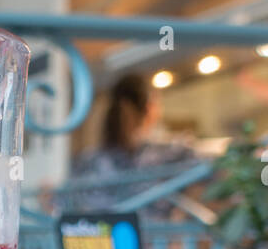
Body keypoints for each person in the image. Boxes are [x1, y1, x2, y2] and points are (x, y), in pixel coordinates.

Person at [64, 73, 196, 213]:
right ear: (150, 108)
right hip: (150, 233)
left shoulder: (89, 160)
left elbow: (70, 205)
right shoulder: (173, 154)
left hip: (100, 232)